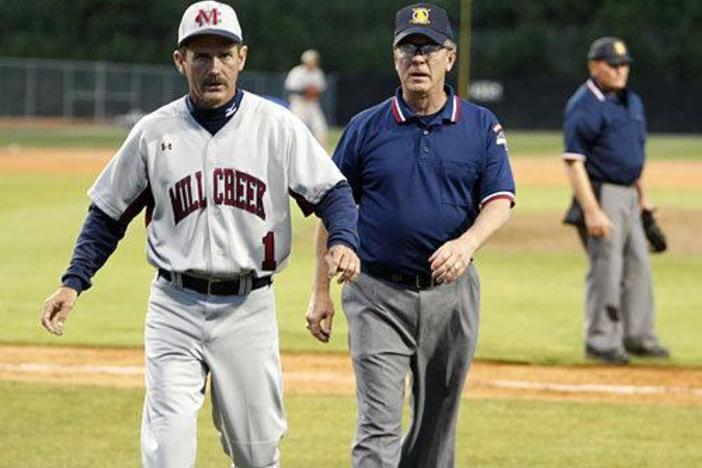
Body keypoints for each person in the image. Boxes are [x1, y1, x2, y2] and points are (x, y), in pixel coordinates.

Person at [39, 2, 360, 467]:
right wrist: (74, 281)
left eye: (224, 54)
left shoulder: (276, 127)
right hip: (175, 307)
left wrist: (344, 241)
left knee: (256, 453)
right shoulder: (153, 132)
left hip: (249, 309)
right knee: (167, 454)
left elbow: (333, 192)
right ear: (180, 61)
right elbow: (107, 213)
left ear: (242, 58)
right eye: (201, 56)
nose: (214, 67)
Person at [306, 4, 515, 467]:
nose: (418, 58)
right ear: (395, 57)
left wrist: (466, 244)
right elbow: (332, 207)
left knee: (436, 426)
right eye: (408, 48)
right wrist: (319, 292)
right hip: (376, 293)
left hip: (452, 295)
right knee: (377, 427)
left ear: (450, 58)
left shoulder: (480, 125)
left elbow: (499, 200)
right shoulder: (366, 127)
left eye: (429, 48)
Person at [562, 36, 670, 365]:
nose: (621, 70)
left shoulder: (630, 101)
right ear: (594, 66)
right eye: (613, 65)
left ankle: (638, 335)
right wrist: (592, 212)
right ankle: (601, 340)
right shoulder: (584, 105)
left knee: (639, 267)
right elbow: (573, 161)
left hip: (628, 195)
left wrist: (644, 199)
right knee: (607, 270)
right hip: (601, 193)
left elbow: (632, 155)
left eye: (624, 65)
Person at [284, 48, 329, 147]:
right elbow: (290, 89)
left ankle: (322, 152)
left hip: (312, 104)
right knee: (295, 127)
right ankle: (292, 149)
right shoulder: (297, 72)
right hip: (299, 104)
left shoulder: (318, 73)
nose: (313, 62)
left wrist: (313, 93)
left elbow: (321, 89)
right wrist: (305, 92)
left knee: (320, 127)